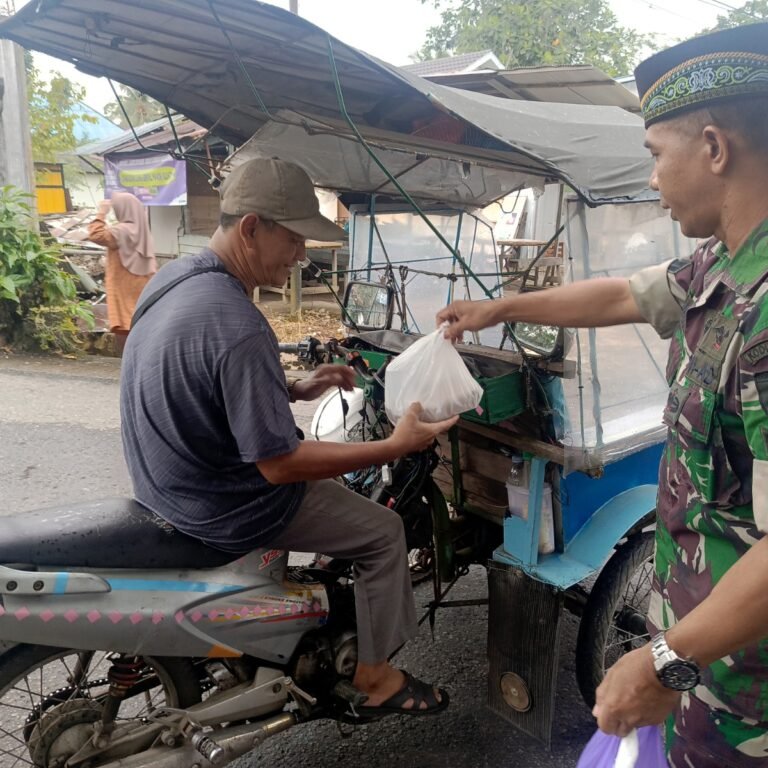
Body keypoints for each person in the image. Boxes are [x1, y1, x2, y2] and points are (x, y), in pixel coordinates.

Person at [437, 23, 768, 767]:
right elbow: (622, 294)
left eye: (657, 156)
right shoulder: (721, 265)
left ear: (715, 148)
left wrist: (665, 662)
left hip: (751, 690)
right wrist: (501, 309)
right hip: (710, 655)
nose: (651, 180)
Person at [120, 157, 455, 716]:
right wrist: (397, 445)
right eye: (295, 239)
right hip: (222, 504)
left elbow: (203, 372)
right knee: (383, 529)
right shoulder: (240, 323)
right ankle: (376, 676)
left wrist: (290, 387)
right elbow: (280, 464)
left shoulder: (178, 278)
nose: (301, 255)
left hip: (163, 482)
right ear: (252, 227)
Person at [87, 191, 158, 349]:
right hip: (143, 282)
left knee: (124, 322)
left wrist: (101, 213)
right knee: (142, 319)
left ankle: (130, 362)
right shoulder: (142, 229)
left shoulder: (122, 230)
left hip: (123, 284)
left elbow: (95, 235)